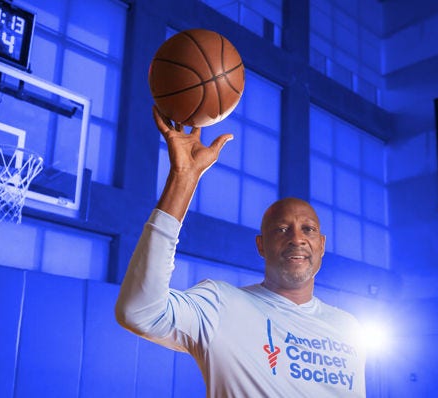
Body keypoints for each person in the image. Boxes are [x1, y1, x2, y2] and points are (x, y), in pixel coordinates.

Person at [115, 107, 366, 397]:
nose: (297, 239)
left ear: (322, 245)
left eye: (307, 229)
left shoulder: (348, 327)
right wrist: (183, 177)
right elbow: (138, 312)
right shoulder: (222, 305)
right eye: (282, 229)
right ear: (261, 245)